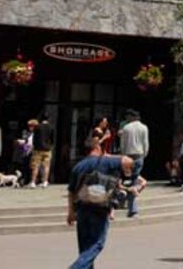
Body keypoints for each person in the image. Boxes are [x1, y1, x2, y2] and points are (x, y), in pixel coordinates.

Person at [66, 137, 136, 269]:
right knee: (96, 244)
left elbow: (71, 192)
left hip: (82, 209)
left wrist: (70, 212)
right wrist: (112, 155)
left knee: (85, 247)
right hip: (99, 207)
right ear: (97, 148)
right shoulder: (107, 161)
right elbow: (130, 161)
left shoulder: (78, 166)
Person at [118, 109, 149, 218]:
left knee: (126, 180)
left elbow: (123, 144)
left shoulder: (126, 128)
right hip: (139, 155)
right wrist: (144, 154)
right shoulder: (144, 127)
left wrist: (123, 155)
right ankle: (131, 208)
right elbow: (145, 143)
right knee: (134, 181)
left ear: (131, 117)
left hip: (128, 155)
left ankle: (125, 202)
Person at [29, 113, 55, 188]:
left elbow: (34, 138)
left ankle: (33, 182)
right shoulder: (51, 127)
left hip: (38, 149)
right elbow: (52, 139)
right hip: (47, 149)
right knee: (46, 166)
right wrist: (50, 146)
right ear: (48, 119)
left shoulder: (37, 127)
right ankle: (45, 181)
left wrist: (34, 146)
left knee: (36, 166)